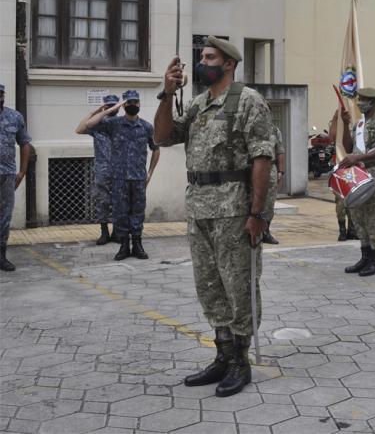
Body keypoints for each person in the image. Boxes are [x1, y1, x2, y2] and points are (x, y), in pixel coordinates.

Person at [154, 36, 273, 397]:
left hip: (234, 210)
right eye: (201, 56)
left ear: (229, 64)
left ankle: (240, 361)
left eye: (210, 57)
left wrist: (257, 214)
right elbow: (162, 136)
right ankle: (222, 355)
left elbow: (262, 159)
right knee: (209, 286)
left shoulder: (247, 101)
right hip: (200, 209)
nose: (202, 62)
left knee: (238, 286)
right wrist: (165, 92)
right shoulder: (197, 105)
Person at [84, 90, 160, 260]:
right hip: (119, 178)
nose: (133, 105)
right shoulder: (114, 124)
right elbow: (89, 125)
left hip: (139, 178)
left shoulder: (147, 127)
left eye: (135, 102)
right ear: (124, 105)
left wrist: (150, 173)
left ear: (139, 104)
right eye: (129, 102)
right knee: (120, 212)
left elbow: (156, 149)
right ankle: (124, 246)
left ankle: (137, 244)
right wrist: (110, 109)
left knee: (138, 212)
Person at [337, 87, 375, 277]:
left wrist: (358, 158)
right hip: (359, 176)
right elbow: (347, 146)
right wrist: (345, 124)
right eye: (358, 99)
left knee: (374, 218)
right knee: (359, 217)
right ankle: (364, 257)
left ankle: (374, 260)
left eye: (362, 100)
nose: (359, 102)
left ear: (372, 102)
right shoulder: (360, 123)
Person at [76, 94, 120, 245]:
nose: (111, 109)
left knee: (118, 201)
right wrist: (97, 112)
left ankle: (116, 232)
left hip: (119, 170)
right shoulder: (98, 125)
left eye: (113, 105)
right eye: (108, 106)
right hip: (102, 169)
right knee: (102, 201)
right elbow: (80, 129)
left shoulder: (121, 124)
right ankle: (104, 232)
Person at [0, 84, 32, 272]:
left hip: (7, 175)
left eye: (1, 94)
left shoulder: (15, 117)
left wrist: (22, 171)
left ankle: (1, 255)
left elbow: (25, 143)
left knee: (4, 217)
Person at [328, 112, 357, 241]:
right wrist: (337, 117)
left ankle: (352, 229)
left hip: (355, 168)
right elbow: (332, 137)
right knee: (341, 202)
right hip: (341, 168)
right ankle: (342, 230)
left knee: (354, 200)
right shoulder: (338, 124)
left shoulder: (358, 124)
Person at [261, 121, 285, 245]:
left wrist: (281, 171)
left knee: (269, 202)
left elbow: (280, 150)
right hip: (251, 168)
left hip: (270, 168)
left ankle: (266, 232)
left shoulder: (275, 130)